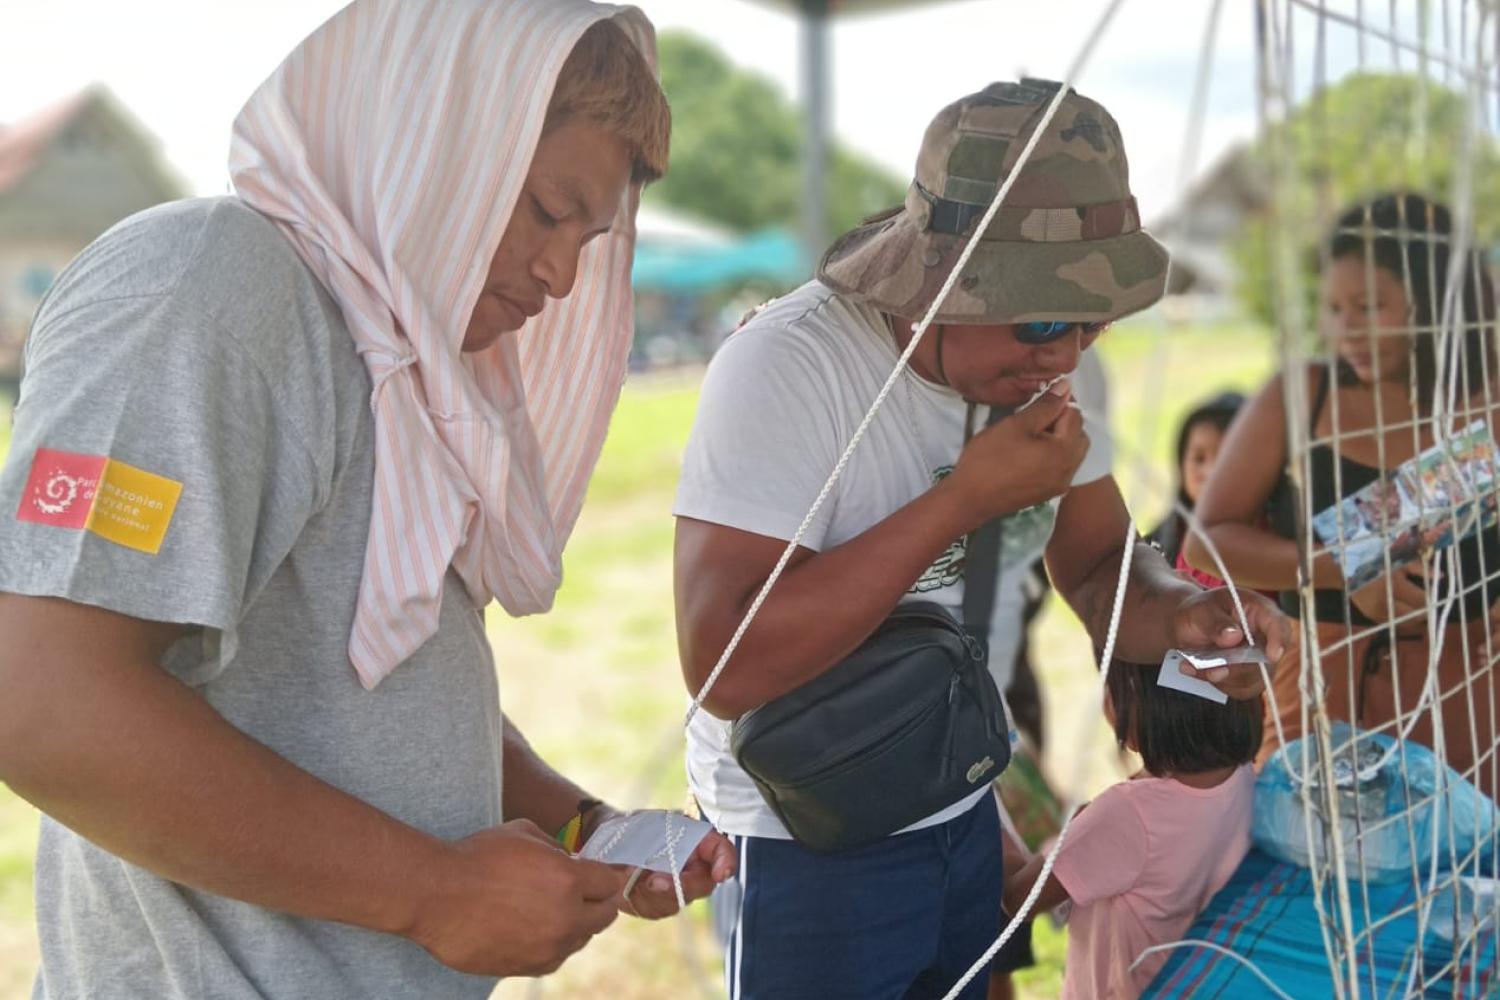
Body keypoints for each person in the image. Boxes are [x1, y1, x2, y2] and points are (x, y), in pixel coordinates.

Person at [0, 4, 735, 998]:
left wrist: (583, 825)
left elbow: (368, 689)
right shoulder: (211, 287)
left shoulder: (403, 362)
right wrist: (433, 891)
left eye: (590, 238)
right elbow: (38, 696)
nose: (564, 273)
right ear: (428, 144)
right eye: (546, 211)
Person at [671, 79, 1290, 1000]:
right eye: (1044, 316)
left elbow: (1098, 566)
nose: (1069, 352)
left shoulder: (1054, 367)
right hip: (811, 829)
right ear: (939, 285)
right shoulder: (791, 367)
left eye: (1094, 320)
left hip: (962, 793)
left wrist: (1189, 617)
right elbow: (726, 660)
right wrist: (962, 502)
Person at [1187, 193, 1500, 787]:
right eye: (1332, 307)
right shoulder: (1302, 396)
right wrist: (1338, 569)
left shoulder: (1492, 399)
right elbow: (1207, 542)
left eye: (1369, 306)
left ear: (1435, 304)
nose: (1344, 328)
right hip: (1328, 686)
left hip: (1470, 690)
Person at [1003, 659, 1261, 999]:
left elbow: (1017, 898)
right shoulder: (1244, 777)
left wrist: (994, 823)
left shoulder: (1127, 813)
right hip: (1197, 983)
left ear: (1140, 712)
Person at [1146, 390, 1245, 587]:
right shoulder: (1158, 543)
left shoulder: (1270, 538)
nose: (1210, 472)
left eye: (1225, 459)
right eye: (1199, 459)